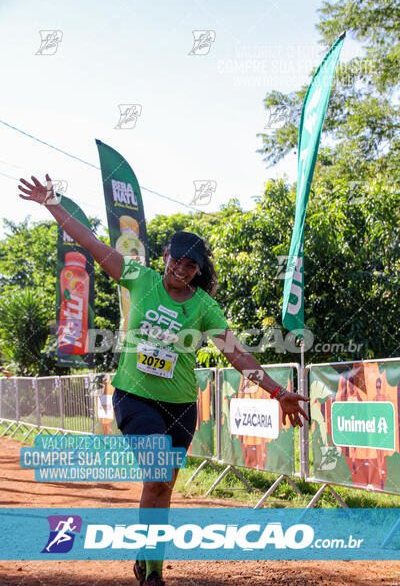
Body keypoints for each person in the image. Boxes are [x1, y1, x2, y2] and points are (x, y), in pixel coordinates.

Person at [18, 175, 309, 586]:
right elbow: (91, 242)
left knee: (162, 487)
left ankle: (146, 551)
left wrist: (278, 391)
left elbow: (236, 352)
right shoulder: (141, 279)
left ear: (197, 270)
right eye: (177, 259)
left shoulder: (204, 306)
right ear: (166, 255)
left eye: (191, 265)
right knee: (157, 476)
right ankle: (154, 577)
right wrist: (52, 204)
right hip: (134, 397)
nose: (181, 269)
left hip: (181, 407)